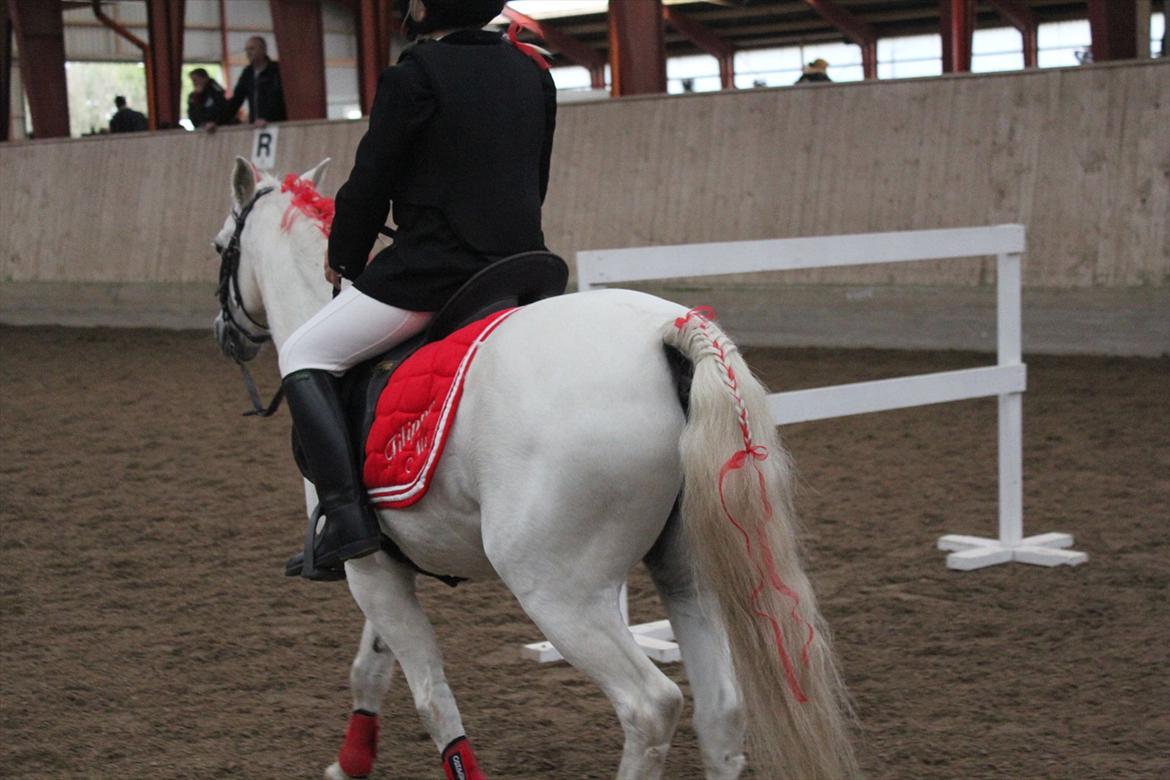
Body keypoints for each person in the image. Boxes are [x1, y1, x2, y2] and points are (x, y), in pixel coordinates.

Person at [277, 0, 557, 577]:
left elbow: (371, 179)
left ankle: (347, 521)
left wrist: (344, 256)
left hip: (435, 273)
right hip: (521, 265)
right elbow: (537, 178)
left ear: (426, 8)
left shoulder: (415, 74)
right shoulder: (532, 72)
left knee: (303, 352)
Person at [209, 36, 287, 131]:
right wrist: (217, 122)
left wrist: (267, 118)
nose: (248, 53)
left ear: (263, 49)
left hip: (277, 125)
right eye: (247, 50)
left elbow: (278, 98)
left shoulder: (276, 70)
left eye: (252, 49)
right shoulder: (248, 73)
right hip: (256, 126)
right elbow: (236, 100)